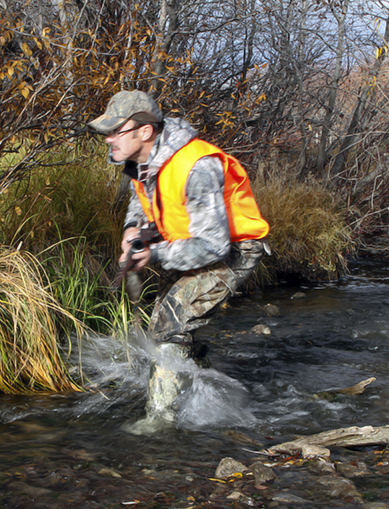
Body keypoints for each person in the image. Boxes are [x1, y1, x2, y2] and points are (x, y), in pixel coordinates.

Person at [88, 90, 270, 430]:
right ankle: (206, 389)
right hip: (191, 246)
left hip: (233, 250)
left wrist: (154, 252)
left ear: (145, 131)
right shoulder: (143, 162)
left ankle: (160, 419)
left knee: (171, 323)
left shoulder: (196, 166)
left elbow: (214, 246)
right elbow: (140, 199)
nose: (108, 139)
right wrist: (133, 229)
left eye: (116, 131)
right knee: (164, 322)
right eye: (106, 132)